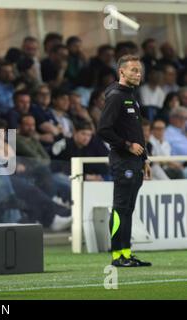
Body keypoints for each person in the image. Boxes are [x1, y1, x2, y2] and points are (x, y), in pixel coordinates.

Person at [98, 54, 152, 267]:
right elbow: (103, 129)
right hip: (123, 161)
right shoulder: (116, 97)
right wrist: (127, 145)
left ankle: (126, 253)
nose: (138, 74)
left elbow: (137, 132)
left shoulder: (130, 96)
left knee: (127, 208)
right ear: (122, 72)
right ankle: (116, 256)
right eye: (133, 70)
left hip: (135, 162)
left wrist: (145, 158)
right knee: (120, 207)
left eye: (139, 71)